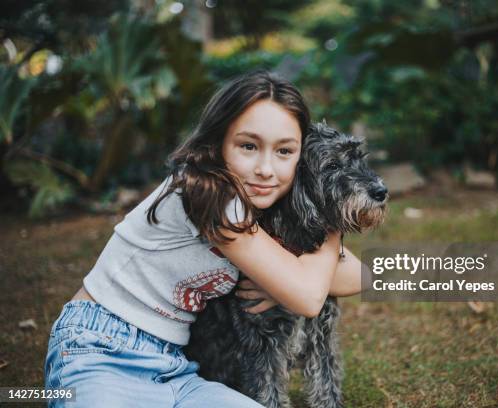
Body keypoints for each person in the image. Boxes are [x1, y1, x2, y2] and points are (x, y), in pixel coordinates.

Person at [44, 70, 364, 408]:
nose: (266, 168)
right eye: (248, 146)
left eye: (284, 151)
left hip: (175, 368)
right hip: (99, 348)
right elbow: (310, 297)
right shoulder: (210, 195)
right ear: (217, 143)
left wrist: (288, 275)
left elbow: (359, 276)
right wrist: (327, 237)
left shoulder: (264, 201)